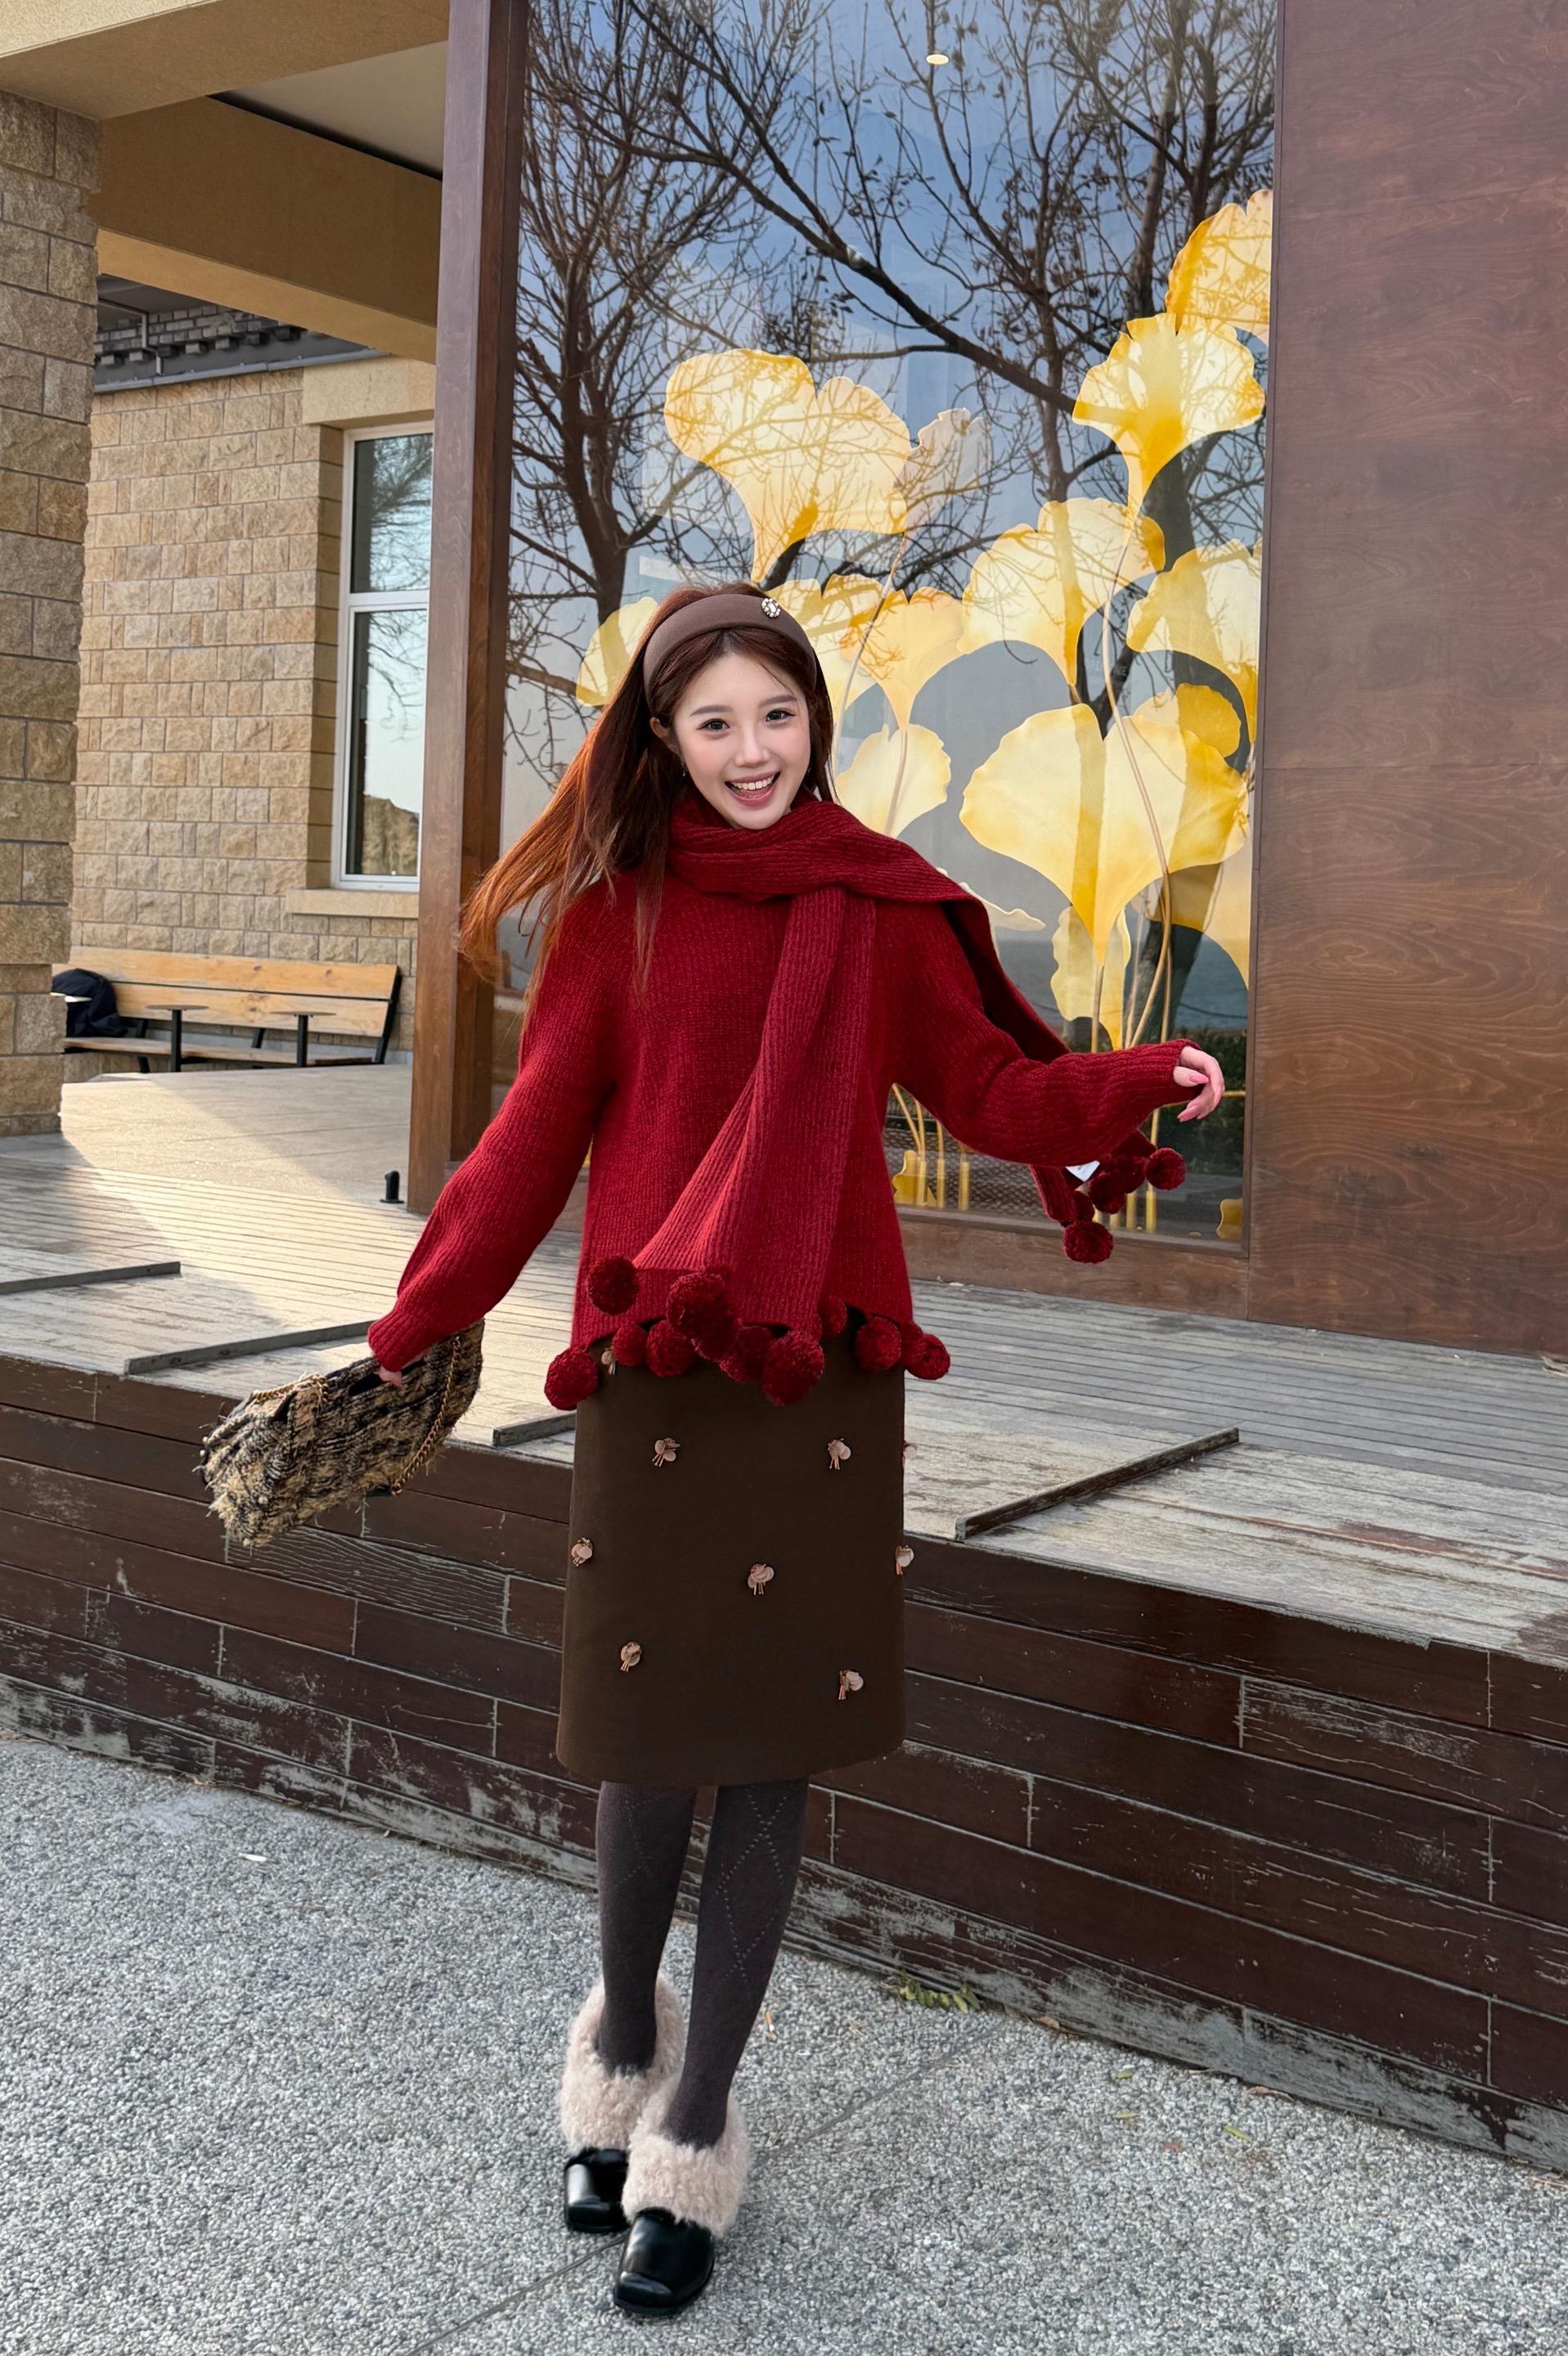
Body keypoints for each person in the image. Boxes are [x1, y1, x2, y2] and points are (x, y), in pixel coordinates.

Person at [366, 582, 1224, 2316]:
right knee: (642, 1728)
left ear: (815, 722)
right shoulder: (621, 912)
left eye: (779, 716)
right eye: (717, 724)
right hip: (654, 1361)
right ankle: (618, 2044)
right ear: (663, 741)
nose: (754, 752)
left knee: (768, 1747)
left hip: (817, 1368)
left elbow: (991, 1093)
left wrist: (1136, 1080)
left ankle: (693, 2129)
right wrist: (413, 1323)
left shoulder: (875, 903)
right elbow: (530, 1138)